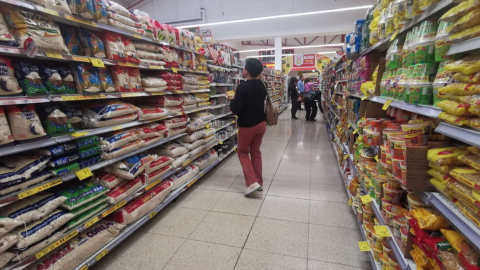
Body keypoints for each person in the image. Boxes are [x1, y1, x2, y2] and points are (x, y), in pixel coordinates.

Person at [229, 58, 267, 196]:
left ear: (247, 70)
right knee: (256, 152)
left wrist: (231, 101)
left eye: (244, 68)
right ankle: (259, 182)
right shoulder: (262, 85)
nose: (243, 70)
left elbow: (237, 109)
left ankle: (252, 183)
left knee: (243, 153)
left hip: (247, 126)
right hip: (261, 124)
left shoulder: (242, 87)